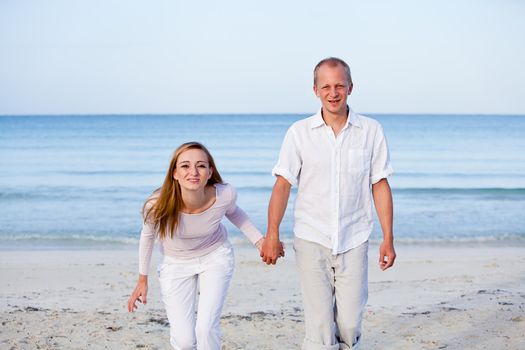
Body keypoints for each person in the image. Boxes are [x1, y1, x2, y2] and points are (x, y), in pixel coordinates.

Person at [261, 57, 396, 349]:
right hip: (311, 237)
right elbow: (283, 184)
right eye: (326, 86)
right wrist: (272, 233)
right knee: (320, 326)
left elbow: (380, 184)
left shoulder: (371, 131)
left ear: (350, 87)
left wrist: (388, 238)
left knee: (349, 324)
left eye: (339, 86)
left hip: (354, 237)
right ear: (315, 90)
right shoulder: (298, 133)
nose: (333, 92)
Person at [127, 141, 283, 350]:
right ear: (174, 173)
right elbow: (147, 236)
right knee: (184, 341)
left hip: (215, 257)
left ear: (210, 172)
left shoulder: (223, 194)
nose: (194, 172)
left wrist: (260, 241)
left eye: (201, 165)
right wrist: (142, 279)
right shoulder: (157, 205)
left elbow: (234, 213)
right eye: (185, 166)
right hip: (176, 264)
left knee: (206, 329)